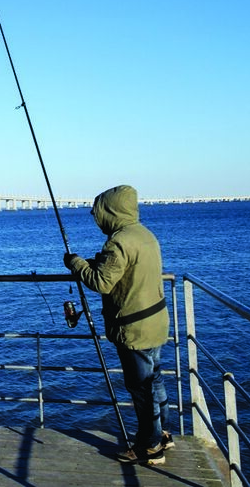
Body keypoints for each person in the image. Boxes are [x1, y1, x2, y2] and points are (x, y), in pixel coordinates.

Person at [62, 184, 172, 465]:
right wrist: (92, 263)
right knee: (154, 380)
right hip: (155, 322)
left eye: (98, 212)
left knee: (141, 388)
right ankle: (163, 434)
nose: (95, 216)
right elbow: (122, 270)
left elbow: (102, 282)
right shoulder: (144, 235)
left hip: (134, 328)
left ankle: (150, 446)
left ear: (111, 211)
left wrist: (76, 264)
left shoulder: (118, 242)